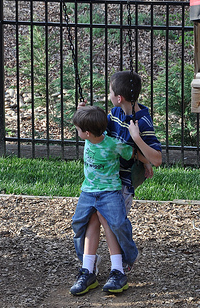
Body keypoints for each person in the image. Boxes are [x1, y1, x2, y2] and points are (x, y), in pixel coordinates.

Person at [79, 71, 163, 286]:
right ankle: (91, 266)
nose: (108, 94)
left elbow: (157, 159)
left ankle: (121, 265)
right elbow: (100, 131)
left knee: (113, 222)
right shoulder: (115, 112)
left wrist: (137, 140)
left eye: (110, 92)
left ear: (119, 97)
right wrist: (85, 115)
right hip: (106, 175)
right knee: (94, 219)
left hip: (122, 181)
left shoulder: (143, 121)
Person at [69, 105, 138, 296]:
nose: (77, 132)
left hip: (110, 193)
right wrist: (80, 109)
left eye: (79, 129)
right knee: (79, 224)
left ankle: (120, 268)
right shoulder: (89, 138)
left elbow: (131, 154)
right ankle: (88, 269)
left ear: (88, 133)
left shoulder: (113, 144)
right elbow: (88, 120)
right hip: (88, 193)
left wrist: (141, 151)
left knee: (116, 224)